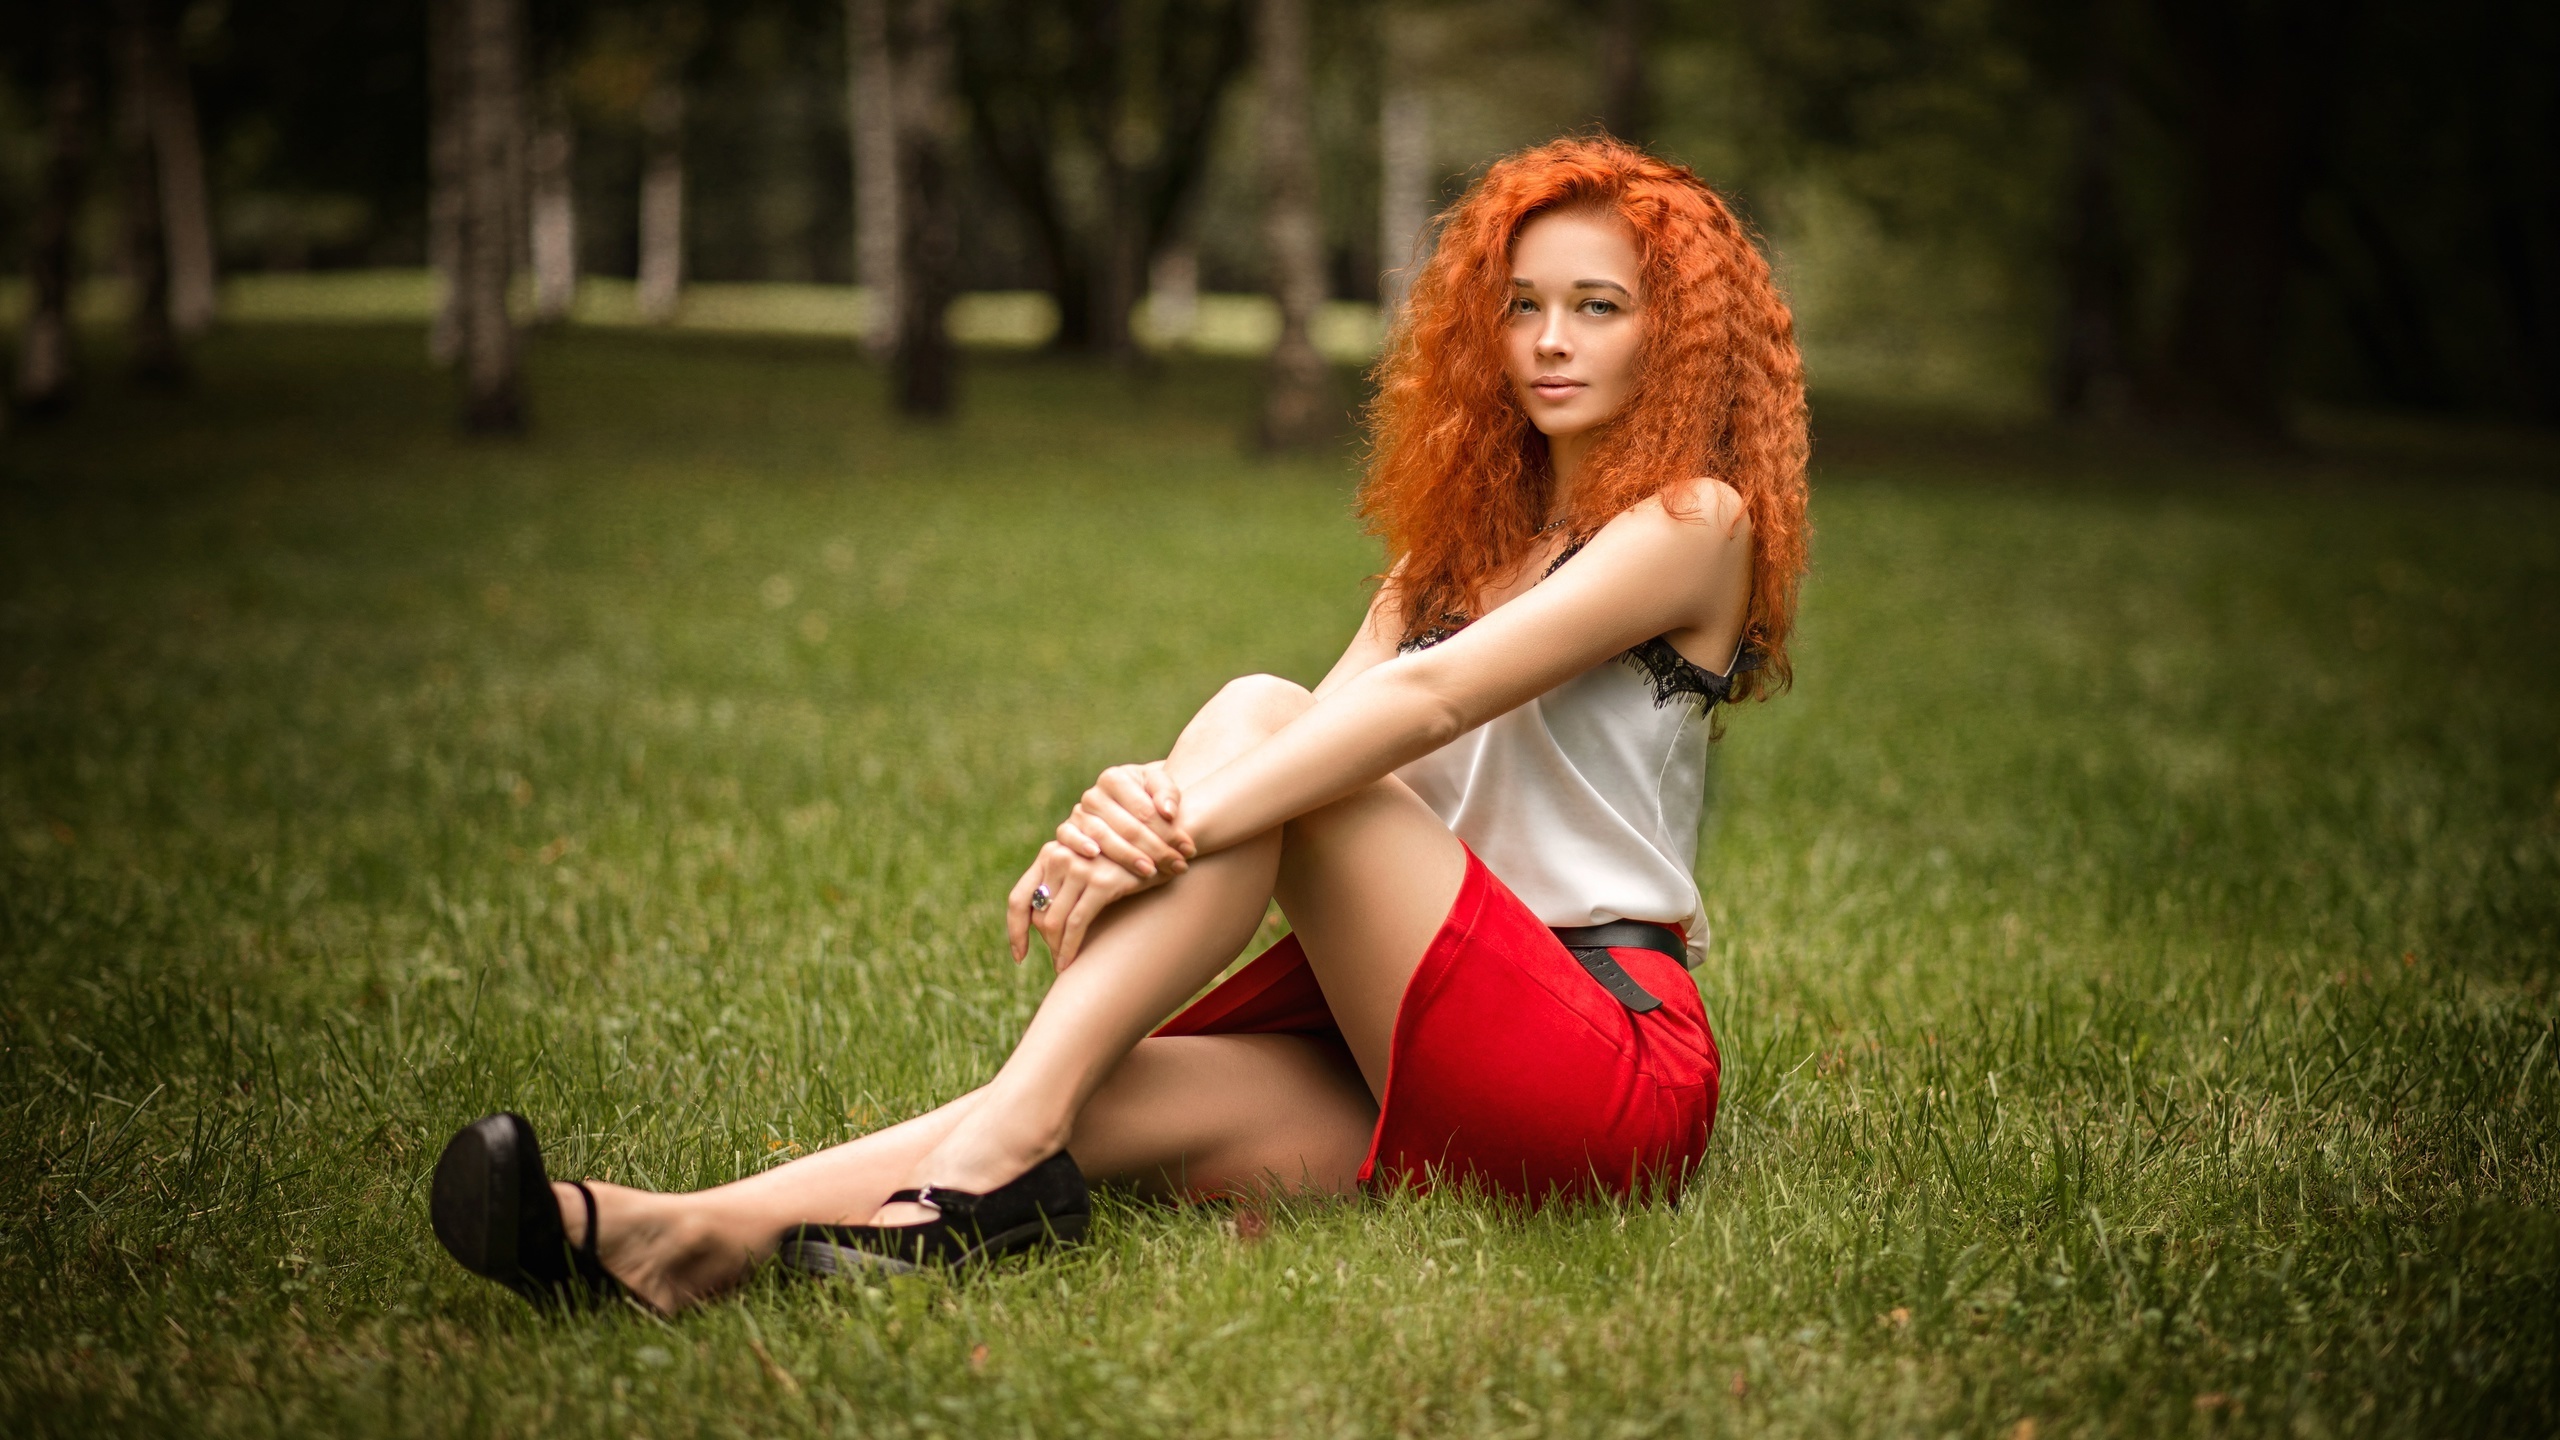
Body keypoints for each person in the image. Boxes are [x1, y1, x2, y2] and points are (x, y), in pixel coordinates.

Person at [428, 135, 1810, 1314]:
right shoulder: (1449, 555)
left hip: (1599, 1062)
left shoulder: (1694, 526)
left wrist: (1175, 817)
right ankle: (666, 1236)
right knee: (1121, 1083)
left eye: (1598, 306)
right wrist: (1149, 803)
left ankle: (994, 1169)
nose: (1551, 341)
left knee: (1256, 720)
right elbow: (1319, 740)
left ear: (1673, 333)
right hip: (1402, 1026)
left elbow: (1413, 706)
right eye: (1522, 306)